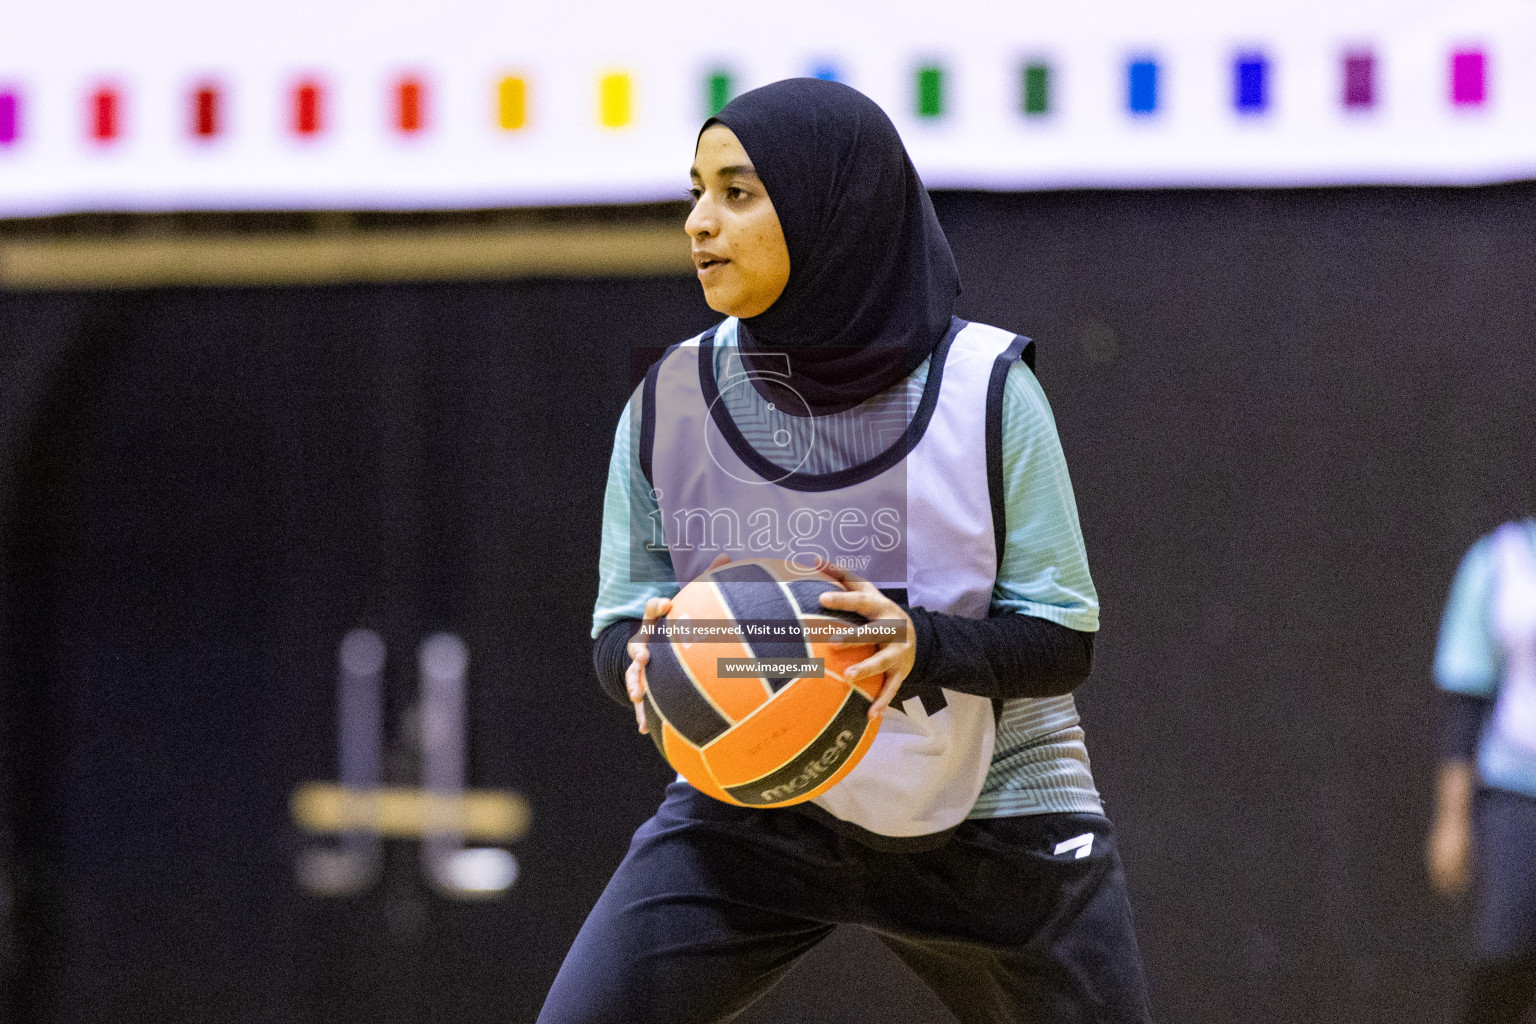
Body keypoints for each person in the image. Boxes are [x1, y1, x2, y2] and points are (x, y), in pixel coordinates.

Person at [538, 78, 1151, 1024]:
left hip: (996, 813)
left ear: (838, 212)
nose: (700, 222)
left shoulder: (985, 391)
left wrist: (921, 645)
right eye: (695, 191)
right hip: (761, 806)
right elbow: (620, 617)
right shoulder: (668, 401)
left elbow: (1064, 641)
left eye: (737, 193)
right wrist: (646, 657)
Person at [1428, 519, 1536, 1024]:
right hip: (1515, 792)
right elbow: (1466, 704)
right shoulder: (1501, 561)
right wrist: (1451, 819)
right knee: (1504, 952)